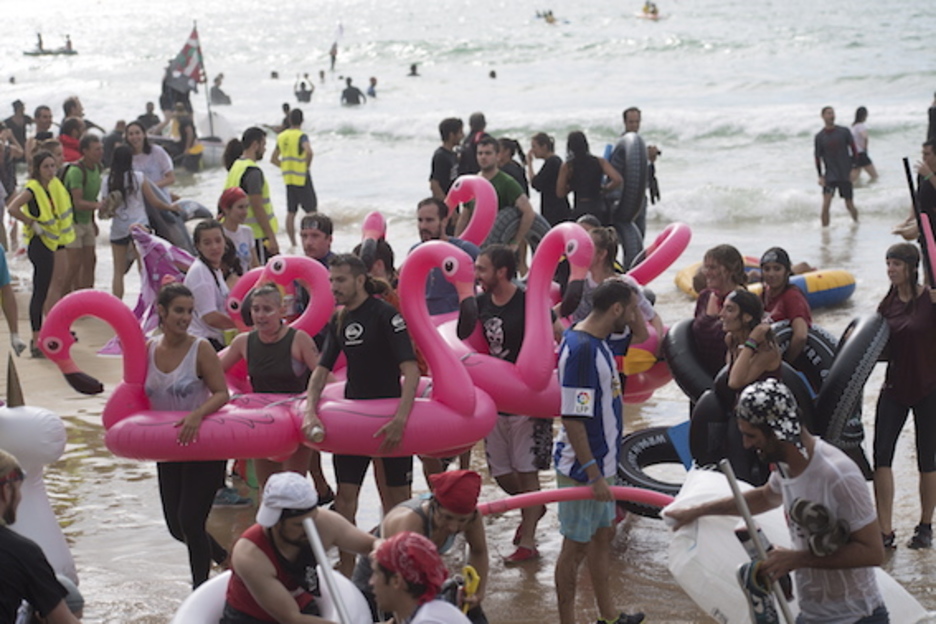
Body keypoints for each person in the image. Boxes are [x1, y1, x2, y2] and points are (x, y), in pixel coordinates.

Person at [665, 379, 888, 624]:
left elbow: (873, 552)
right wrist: (697, 511)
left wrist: (796, 559)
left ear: (777, 430)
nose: (746, 445)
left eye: (751, 435)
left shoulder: (837, 475)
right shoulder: (786, 467)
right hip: (812, 615)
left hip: (857, 617)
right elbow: (763, 497)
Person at [303, 254, 420, 575]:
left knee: (398, 501)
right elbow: (320, 371)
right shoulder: (339, 320)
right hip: (353, 424)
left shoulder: (385, 315)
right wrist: (310, 411)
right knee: (344, 501)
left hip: (389, 419)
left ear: (359, 280)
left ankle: (396, 571)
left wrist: (401, 419)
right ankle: (349, 574)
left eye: (340, 280)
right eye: (330, 281)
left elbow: (409, 370)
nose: (333, 287)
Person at [554, 279, 647, 624]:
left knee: (600, 538)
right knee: (574, 547)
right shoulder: (581, 352)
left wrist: (635, 299)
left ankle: (608, 617)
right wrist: (593, 474)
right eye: (632, 307)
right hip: (583, 469)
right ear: (617, 309)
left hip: (602, 465)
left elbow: (643, 333)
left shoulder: (602, 339)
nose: (637, 314)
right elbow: (574, 420)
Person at [457, 245, 550, 562]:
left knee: (527, 471)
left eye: (482, 269)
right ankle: (534, 508)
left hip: (528, 401)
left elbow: (556, 332)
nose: (476, 275)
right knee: (502, 475)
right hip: (495, 399)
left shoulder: (528, 302)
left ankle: (528, 544)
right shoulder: (480, 303)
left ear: (501, 272)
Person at [145, 283, 231, 588]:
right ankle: (224, 557)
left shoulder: (201, 348)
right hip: (169, 447)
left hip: (203, 444)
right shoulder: (148, 348)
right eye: (179, 311)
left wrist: (197, 414)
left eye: (189, 311)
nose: (184, 317)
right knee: (175, 527)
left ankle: (199, 592)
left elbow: (223, 393)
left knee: (191, 521)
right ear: (162, 312)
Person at [221, 471, 377, 624]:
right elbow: (292, 618)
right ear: (276, 522)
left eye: (312, 520)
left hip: (302, 604)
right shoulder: (250, 555)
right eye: (299, 525)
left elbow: (371, 545)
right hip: (251, 617)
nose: (309, 530)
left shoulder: (324, 524)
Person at [352, 470, 489, 622]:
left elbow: (479, 551)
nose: (453, 527)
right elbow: (398, 585)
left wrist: (478, 592)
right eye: (447, 517)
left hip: (409, 578)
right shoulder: (412, 522)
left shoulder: (472, 517)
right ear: (434, 505)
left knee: (469, 606)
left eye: (461, 521)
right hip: (380, 577)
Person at [220, 284, 322, 485]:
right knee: (266, 489)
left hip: (294, 422)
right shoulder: (243, 342)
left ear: (281, 310)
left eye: (267, 309)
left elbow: (323, 377)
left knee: (292, 486)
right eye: (256, 309)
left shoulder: (298, 339)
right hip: (262, 421)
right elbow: (213, 372)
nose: (260, 315)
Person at [873, 243, 936, 551]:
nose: (891, 269)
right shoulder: (886, 307)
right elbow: (878, 352)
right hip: (895, 388)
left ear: (912, 267)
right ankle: (885, 529)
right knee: (881, 455)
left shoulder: (930, 298)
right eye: (888, 264)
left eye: (896, 263)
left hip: (929, 388)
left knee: (928, 458)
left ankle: (925, 526)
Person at [0, 449, 81, 624]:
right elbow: (64, 621)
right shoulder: (21, 551)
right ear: (6, 491)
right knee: (67, 592)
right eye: (18, 489)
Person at [7, 151, 75, 357]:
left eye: (53, 166)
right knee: (41, 289)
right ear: (37, 169)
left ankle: (51, 331)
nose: (51, 170)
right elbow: (12, 208)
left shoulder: (55, 185)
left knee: (57, 283)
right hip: (39, 242)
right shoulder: (32, 188)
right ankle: (36, 340)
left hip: (54, 239)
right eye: (46, 166)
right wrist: (31, 223)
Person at [104, 145, 177, 300]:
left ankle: (117, 307)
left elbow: (105, 206)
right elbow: (155, 202)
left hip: (119, 229)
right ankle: (148, 302)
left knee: (118, 272)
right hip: (140, 227)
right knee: (143, 269)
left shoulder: (107, 180)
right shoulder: (138, 177)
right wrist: (170, 207)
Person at [369, 531, 472, 624]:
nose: (371, 582)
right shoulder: (435, 609)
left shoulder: (428, 620)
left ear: (396, 581)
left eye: (376, 574)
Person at [455, 136, 537, 253]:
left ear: (497, 156)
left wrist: (515, 242)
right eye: (480, 153)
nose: (483, 157)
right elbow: (465, 215)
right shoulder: (474, 182)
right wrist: (457, 243)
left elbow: (528, 212)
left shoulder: (507, 182)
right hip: (476, 244)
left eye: (488, 153)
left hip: (499, 245)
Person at [415, 197, 480, 315]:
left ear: (444, 221)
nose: (423, 226)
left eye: (429, 220)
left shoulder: (464, 250)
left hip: (455, 323)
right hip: (425, 324)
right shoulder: (415, 253)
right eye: (420, 220)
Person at [224, 127, 280, 261]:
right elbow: (257, 207)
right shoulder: (253, 172)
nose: (265, 149)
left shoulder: (236, 166)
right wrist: (271, 237)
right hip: (256, 235)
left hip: (237, 232)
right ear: (255, 145)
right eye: (264, 145)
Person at [692, 244, 748, 378]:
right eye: (706, 267)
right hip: (701, 374)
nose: (706, 272)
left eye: (712, 267)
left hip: (730, 375)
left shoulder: (743, 300)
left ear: (729, 270)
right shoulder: (705, 296)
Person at [608, 107, 661, 239]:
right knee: (622, 236)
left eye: (637, 122)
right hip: (623, 197)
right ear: (625, 123)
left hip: (640, 197)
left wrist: (650, 160)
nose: (635, 125)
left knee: (639, 236)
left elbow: (645, 175)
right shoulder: (620, 144)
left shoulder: (639, 145)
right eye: (631, 122)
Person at [184, 220, 237, 350]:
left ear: (225, 241)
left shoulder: (214, 269)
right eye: (207, 243)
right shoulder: (200, 274)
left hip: (213, 339)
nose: (214, 247)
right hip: (202, 344)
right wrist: (242, 326)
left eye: (218, 240)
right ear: (198, 246)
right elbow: (210, 317)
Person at [270, 109, 318, 248]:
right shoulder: (301, 136)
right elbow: (309, 152)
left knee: (291, 212)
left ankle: (293, 244)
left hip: (289, 179)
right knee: (312, 212)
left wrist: (285, 167)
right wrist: (306, 167)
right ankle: (313, 241)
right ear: (302, 121)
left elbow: (273, 159)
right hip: (302, 178)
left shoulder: (282, 136)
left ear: (289, 120)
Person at [62, 133, 103, 291]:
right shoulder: (76, 171)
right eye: (96, 149)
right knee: (74, 265)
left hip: (86, 221)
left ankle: (87, 296)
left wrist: (93, 222)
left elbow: (90, 197)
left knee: (91, 261)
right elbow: (78, 203)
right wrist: (99, 205)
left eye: (101, 149)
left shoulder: (97, 168)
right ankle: (64, 298)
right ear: (85, 151)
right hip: (72, 223)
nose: (100, 152)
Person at [758, 247, 812, 363]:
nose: (771, 274)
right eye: (767, 269)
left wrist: (786, 363)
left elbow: (801, 336)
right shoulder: (763, 294)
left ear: (787, 272)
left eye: (777, 269)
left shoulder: (792, 296)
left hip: (795, 362)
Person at [556, 130, 621, 222]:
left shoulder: (568, 166)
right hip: (598, 207)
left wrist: (572, 186)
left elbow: (560, 193)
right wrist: (605, 188)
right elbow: (617, 179)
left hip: (580, 207)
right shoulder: (600, 161)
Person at [815, 106, 859, 226]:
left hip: (844, 173)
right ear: (823, 116)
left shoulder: (843, 131)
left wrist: (855, 168)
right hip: (830, 175)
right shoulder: (820, 137)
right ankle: (825, 231)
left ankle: (856, 223)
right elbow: (817, 157)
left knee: (849, 204)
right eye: (829, 113)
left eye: (833, 113)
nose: (832, 115)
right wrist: (820, 175)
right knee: (825, 205)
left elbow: (854, 149)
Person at [124, 120, 175, 204]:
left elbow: (171, 178)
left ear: (144, 134)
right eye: (131, 134)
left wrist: (148, 188)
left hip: (160, 199)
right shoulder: (125, 156)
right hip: (138, 203)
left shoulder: (157, 151)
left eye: (137, 133)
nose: (134, 137)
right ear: (126, 137)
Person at [527, 132, 571, 227]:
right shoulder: (555, 161)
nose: (532, 150)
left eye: (534, 146)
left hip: (554, 208)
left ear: (544, 146)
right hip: (558, 206)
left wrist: (529, 164)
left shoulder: (551, 162)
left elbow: (535, 184)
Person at [217, 187, 259, 275]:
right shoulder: (218, 233)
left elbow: (255, 266)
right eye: (240, 207)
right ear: (226, 209)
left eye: (246, 207)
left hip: (245, 282)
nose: (245, 212)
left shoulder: (247, 231)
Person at [429, 117, 463, 201]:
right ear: (451, 135)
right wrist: (447, 206)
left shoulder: (453, 154)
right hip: (445, 207)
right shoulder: (440, 156)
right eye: (460, 132)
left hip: (454, 202)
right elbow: (434, 184)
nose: (463, 135)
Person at [850, 106, 878, 183]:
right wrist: (865, 148)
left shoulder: (853, 126)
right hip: (861, 153)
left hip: (853, 153)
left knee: (855, 176)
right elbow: (865, 137)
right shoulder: (861, 126)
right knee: (874, 176)